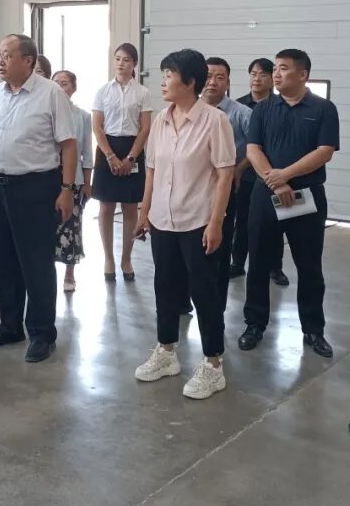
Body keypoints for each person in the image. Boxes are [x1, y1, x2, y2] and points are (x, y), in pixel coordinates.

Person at [0, 34, 77, 363]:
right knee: (4, 260)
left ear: (28, 61)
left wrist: (67, 189)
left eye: (6, 55)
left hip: (35, 186)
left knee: (36, 262)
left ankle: (42, 333)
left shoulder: (51, 94)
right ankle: (10, 325)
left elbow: (68, 145)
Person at [133, 49, 235, 400]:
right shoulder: (161, 120)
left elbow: (224, 175)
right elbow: (152, 170)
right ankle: (166, 352)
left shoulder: (215, 121)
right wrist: (144, 212)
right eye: (162, 74)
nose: (162, 81)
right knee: (165, 288)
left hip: (198, 221)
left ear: (190, 81)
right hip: (163, 220)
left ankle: (213, 364)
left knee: (204, 293)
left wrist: (216, 223)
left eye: (169, 75)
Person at [241, 49, 339, 358]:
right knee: (258, 261)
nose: (276, 74)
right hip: (266, 195)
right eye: (275, 68)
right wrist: (277, 181)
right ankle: (254, 324)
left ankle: (313, 329)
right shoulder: (263, 108)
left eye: (283, 68)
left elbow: (324, 151)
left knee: (309, 265)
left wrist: (287, 175)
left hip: (305, 197)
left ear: (303, 74)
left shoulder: (323, 108)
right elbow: (253, 149)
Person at [92, 43, 152, 282]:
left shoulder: (143, 92)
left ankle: (126, 258)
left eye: (126, 59)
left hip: (132, 149)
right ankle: (108, 258)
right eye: (117, 58)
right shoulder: (103, 91)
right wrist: (110, 156)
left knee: (129, 206)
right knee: (106, 207)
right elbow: (97, 127)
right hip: (107, 148)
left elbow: (145, 128)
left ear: (134, 63)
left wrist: (130, 158)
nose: (120, 63)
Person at [234, 57, 288, 287]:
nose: (257, 79)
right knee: (243, 221)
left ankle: (275, 267)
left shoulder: (280, 106)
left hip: (272, 176)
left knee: (275, 224)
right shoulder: (239, 105)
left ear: (271, 79)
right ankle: (237, 263)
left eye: (263, 74)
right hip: (244, 176)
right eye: (253, 74)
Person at [201, 57, 251, 302]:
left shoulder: (242, 113)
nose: (212, 82)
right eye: (208, 76)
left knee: (219, 246)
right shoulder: (188, 110)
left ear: (228, 83)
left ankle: (216, 302)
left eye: (219, 77)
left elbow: (255, 147)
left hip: (226, 187)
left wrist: (237, 170)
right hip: (194, 190)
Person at [53, 69, 93, 292]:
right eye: (56, 82)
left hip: (74, 180)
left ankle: (70, 274)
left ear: (74, 88)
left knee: (72, 226)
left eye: (65, 83)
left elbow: (87, 152)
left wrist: (87, 183)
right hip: (48, 178)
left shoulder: (82, 116)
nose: (60, 87)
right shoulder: (46, 112)